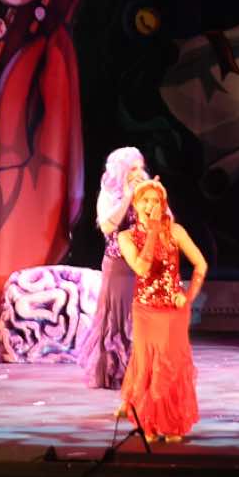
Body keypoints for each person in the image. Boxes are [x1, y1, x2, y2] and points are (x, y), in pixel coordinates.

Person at [117, 179, 206, 441]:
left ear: (163, 204)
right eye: (145, 200)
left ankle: (172, 423)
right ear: (135, 204)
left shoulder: (175, 231)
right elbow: (142, 268)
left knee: (170, 367)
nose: (150, 205)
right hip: (145, 310)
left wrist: (188, 297)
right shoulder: (126, 237)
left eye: (155, 201)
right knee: (147, 366)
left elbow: (201, 265)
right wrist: (153, 231)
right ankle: (149, 423)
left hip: (172, 312)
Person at [79, 146, 149, 394]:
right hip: (118, 266)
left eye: (141, 167)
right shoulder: (108, 193)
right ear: (121, 171)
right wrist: (127, 198)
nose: (138, 173)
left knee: (143, 319)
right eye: (133, 168)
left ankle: (143, 371)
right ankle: (116, 371)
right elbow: (108, 228)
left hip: (143, 265)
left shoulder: (147, 190)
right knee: (118, 318)